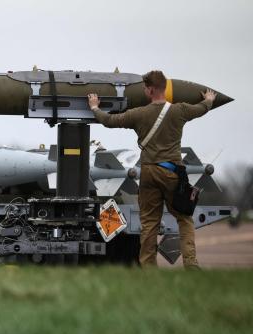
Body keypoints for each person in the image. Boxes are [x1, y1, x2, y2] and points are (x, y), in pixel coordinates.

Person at [87, 70, 216, 268]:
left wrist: (95, 108)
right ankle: (191, 264)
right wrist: (208, 100)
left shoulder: (139, 114)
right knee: (184, 218)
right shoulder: (179, 110)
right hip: (173, 172)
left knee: (149, 223)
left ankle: (148, 269)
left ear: (150, 90)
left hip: (148, 173)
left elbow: (110, 121)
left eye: (145, 88)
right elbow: (201, 109)